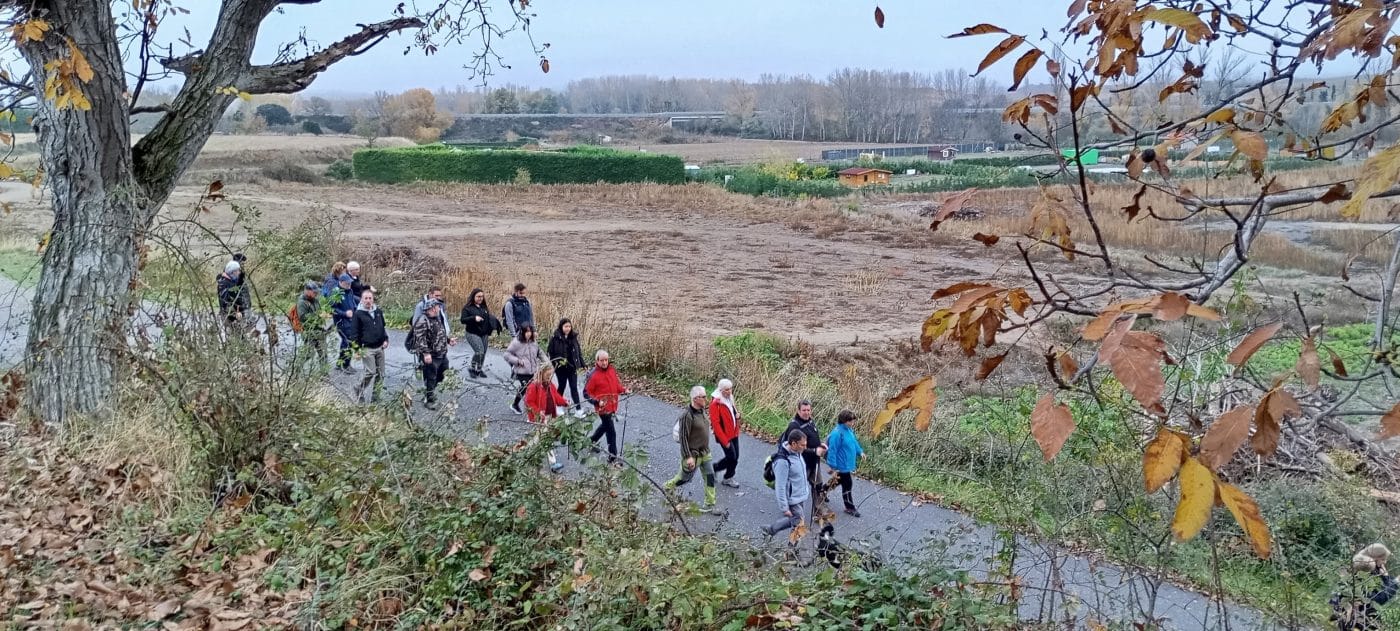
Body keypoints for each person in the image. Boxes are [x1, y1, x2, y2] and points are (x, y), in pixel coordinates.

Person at [665, 386, 718, 513]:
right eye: (703, 397)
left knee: (710, 476)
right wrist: (688, 457)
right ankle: (666, 487)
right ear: (695, 399)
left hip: (705, 452)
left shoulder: (702, 411)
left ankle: (710, 503)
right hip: (692, 454)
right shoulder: (687, 416)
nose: (706, 399)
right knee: (684, 478)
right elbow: (683, 437)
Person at [1332, 543, 1397, 630]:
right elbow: (1377, 599)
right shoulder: (1365, 573)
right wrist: (1395, 583)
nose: (1385, 562)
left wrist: (1386, 577)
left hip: (1350, 613)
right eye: (1383, 559)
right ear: (1374, 558)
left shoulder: (1364, 567)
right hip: (1356, 617)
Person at [760, 429, 811, 539]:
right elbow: (780, 486)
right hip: (792, 498)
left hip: (800, 494)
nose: (805, 447)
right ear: (794, 444)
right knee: (799, 523)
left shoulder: (797, 453)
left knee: (797, 520)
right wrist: (784, 507)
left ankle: (771, 530)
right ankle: (791, 547)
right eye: (802, 445)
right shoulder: (782, 462)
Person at [524, 364, 570, 473]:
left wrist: (564, 402)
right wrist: (538, 412)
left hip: (549, 415)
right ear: (541, 373)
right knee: (546, 439)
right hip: (539, 418)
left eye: (550, 375)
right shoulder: (534, 386)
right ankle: (553, 463)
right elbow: (529, 402)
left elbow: (556, 396)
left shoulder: (549, 385)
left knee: (538, 438)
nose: (549, 378)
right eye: (547, 375)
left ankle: (526, 454)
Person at [583, 349, 627, 463]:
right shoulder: (593, 375)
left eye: (606, 360)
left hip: (612, 405)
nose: (604, 363)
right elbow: (586, 393)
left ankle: (591, 441)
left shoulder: (611, 370)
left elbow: (616, 385)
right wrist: (597, 401)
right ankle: (613, 457)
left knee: (605, 426)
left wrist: (623, 390)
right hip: (602, 408)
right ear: (597, 361)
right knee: (611, 432)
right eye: (602, 360)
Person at [350, 289, 389, 403]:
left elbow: (382, 327)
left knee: (381, 374)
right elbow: (354, 333)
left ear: (373, 299)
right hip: (366, 348)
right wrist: (357, 349)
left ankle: (375, 397)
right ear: (362, 300)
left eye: (370, 298)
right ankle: (358, 388)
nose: (368, 301)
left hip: (379, 347)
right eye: (365, 298)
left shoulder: (378, 312)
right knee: (370, 372)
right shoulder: (358, 314)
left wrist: (385, 339)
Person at [826, 410, 867, 517]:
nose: (853, 423)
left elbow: (854, 442)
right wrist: (833, 466)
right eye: (850, 421)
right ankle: (850, 507)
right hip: (841, 464)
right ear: (844, 421)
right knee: (847, 484)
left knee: (838, 481)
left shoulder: (849, 430)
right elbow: (832, 450)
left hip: (848, 463)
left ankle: (821, 491)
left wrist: (860, 451)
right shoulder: (837, 433)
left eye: (853, 421)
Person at [413, 299, 450, 410]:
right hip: (431, 355)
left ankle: (429, 391)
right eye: (438, 306)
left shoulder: (436, 319)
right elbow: (420, 339)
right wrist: (426, 354)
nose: (439, 308)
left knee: (443, 374)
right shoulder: (423, 321)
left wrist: (449, 340)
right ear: (433, 308)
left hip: (441, 354)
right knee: (431, 377)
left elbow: (439, 334)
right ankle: (429, 400)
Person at [503, 325, 547, 415]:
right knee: (526, 388)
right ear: (522, 332)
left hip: (532, 370)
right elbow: (506, 355)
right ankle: (520, 406)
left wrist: (547, 362)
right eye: (526, 332)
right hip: (521, 371)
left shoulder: (533, 341)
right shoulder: (516, 342)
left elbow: (539, 353)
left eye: (530, 331)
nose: (528, 334)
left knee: (531, 388)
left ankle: (528, 406)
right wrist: (517, 361)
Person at [548, 318, 586, 417]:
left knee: (574, 387)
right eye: (566, 326)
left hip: (572, 367)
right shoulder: (555, 338)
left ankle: (578, 409)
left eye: (569, 326)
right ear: (561, 327)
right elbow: (551, 353)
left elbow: (578, 352)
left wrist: (583, 364)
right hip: (561, 368)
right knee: (562, 386)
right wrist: (556, 363)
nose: (568, 328)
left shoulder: (573, 337)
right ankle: (558, 406)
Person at [459, 288, 501, 378]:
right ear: (473, 296)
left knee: (483, 352)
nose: (480, 298)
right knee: (479, 351)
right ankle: (472, 368)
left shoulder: (483, 307)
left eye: (482, 296)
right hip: (472, 333)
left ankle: (478, 369)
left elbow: (486, 318)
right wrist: (474, 318)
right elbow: (462, 320)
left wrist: (494, 322)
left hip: (484, 334)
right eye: (478, 296)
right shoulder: (467, 308)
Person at [709, 378, 742, 488]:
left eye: (730, 389)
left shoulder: (730, 398)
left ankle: (715, 468)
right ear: (721, 390)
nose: (729, 391)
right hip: (724, 436)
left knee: (735, 457)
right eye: (727, 390)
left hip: (734, 433)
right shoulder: (715, 404)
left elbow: (733, 414)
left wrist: (738, 417)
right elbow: (716, 425)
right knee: (732, 458)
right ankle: (728, 478)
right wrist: (725, 441)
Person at [294, 281, 326, 368]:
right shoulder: (301, 302)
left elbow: (319, 311)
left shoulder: (315, 300)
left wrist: (323, 315)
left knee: (323, 354)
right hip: (308, 332)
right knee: (308, 354)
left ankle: (324, 373)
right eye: (314, 292)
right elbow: (303, 317)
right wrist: (318, 316)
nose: (316, 293)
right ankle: (295, 370)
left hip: (319, 331)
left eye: (316, 292)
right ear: (307, 291)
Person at [330, 274, 357, 373]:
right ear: (341, 282)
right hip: (341, 322)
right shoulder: (336, 293)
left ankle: (339, 363)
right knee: (348, 341)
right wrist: (344, 313)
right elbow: (332, 309)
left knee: (346, 342)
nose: (349, 285)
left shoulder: (350, 291)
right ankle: (345, 365)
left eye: (350, 283)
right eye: (347, 283)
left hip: (351, 321)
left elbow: (352, 303)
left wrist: (356, 311)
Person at [216, 260, 249, 328]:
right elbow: (225, 302)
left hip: (238, 315)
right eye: (237, 271)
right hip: (230, 317)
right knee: (234, 333)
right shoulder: (223, 284)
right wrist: (236, 312)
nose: (239, 272)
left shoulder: (233, 281)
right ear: (232, 272)